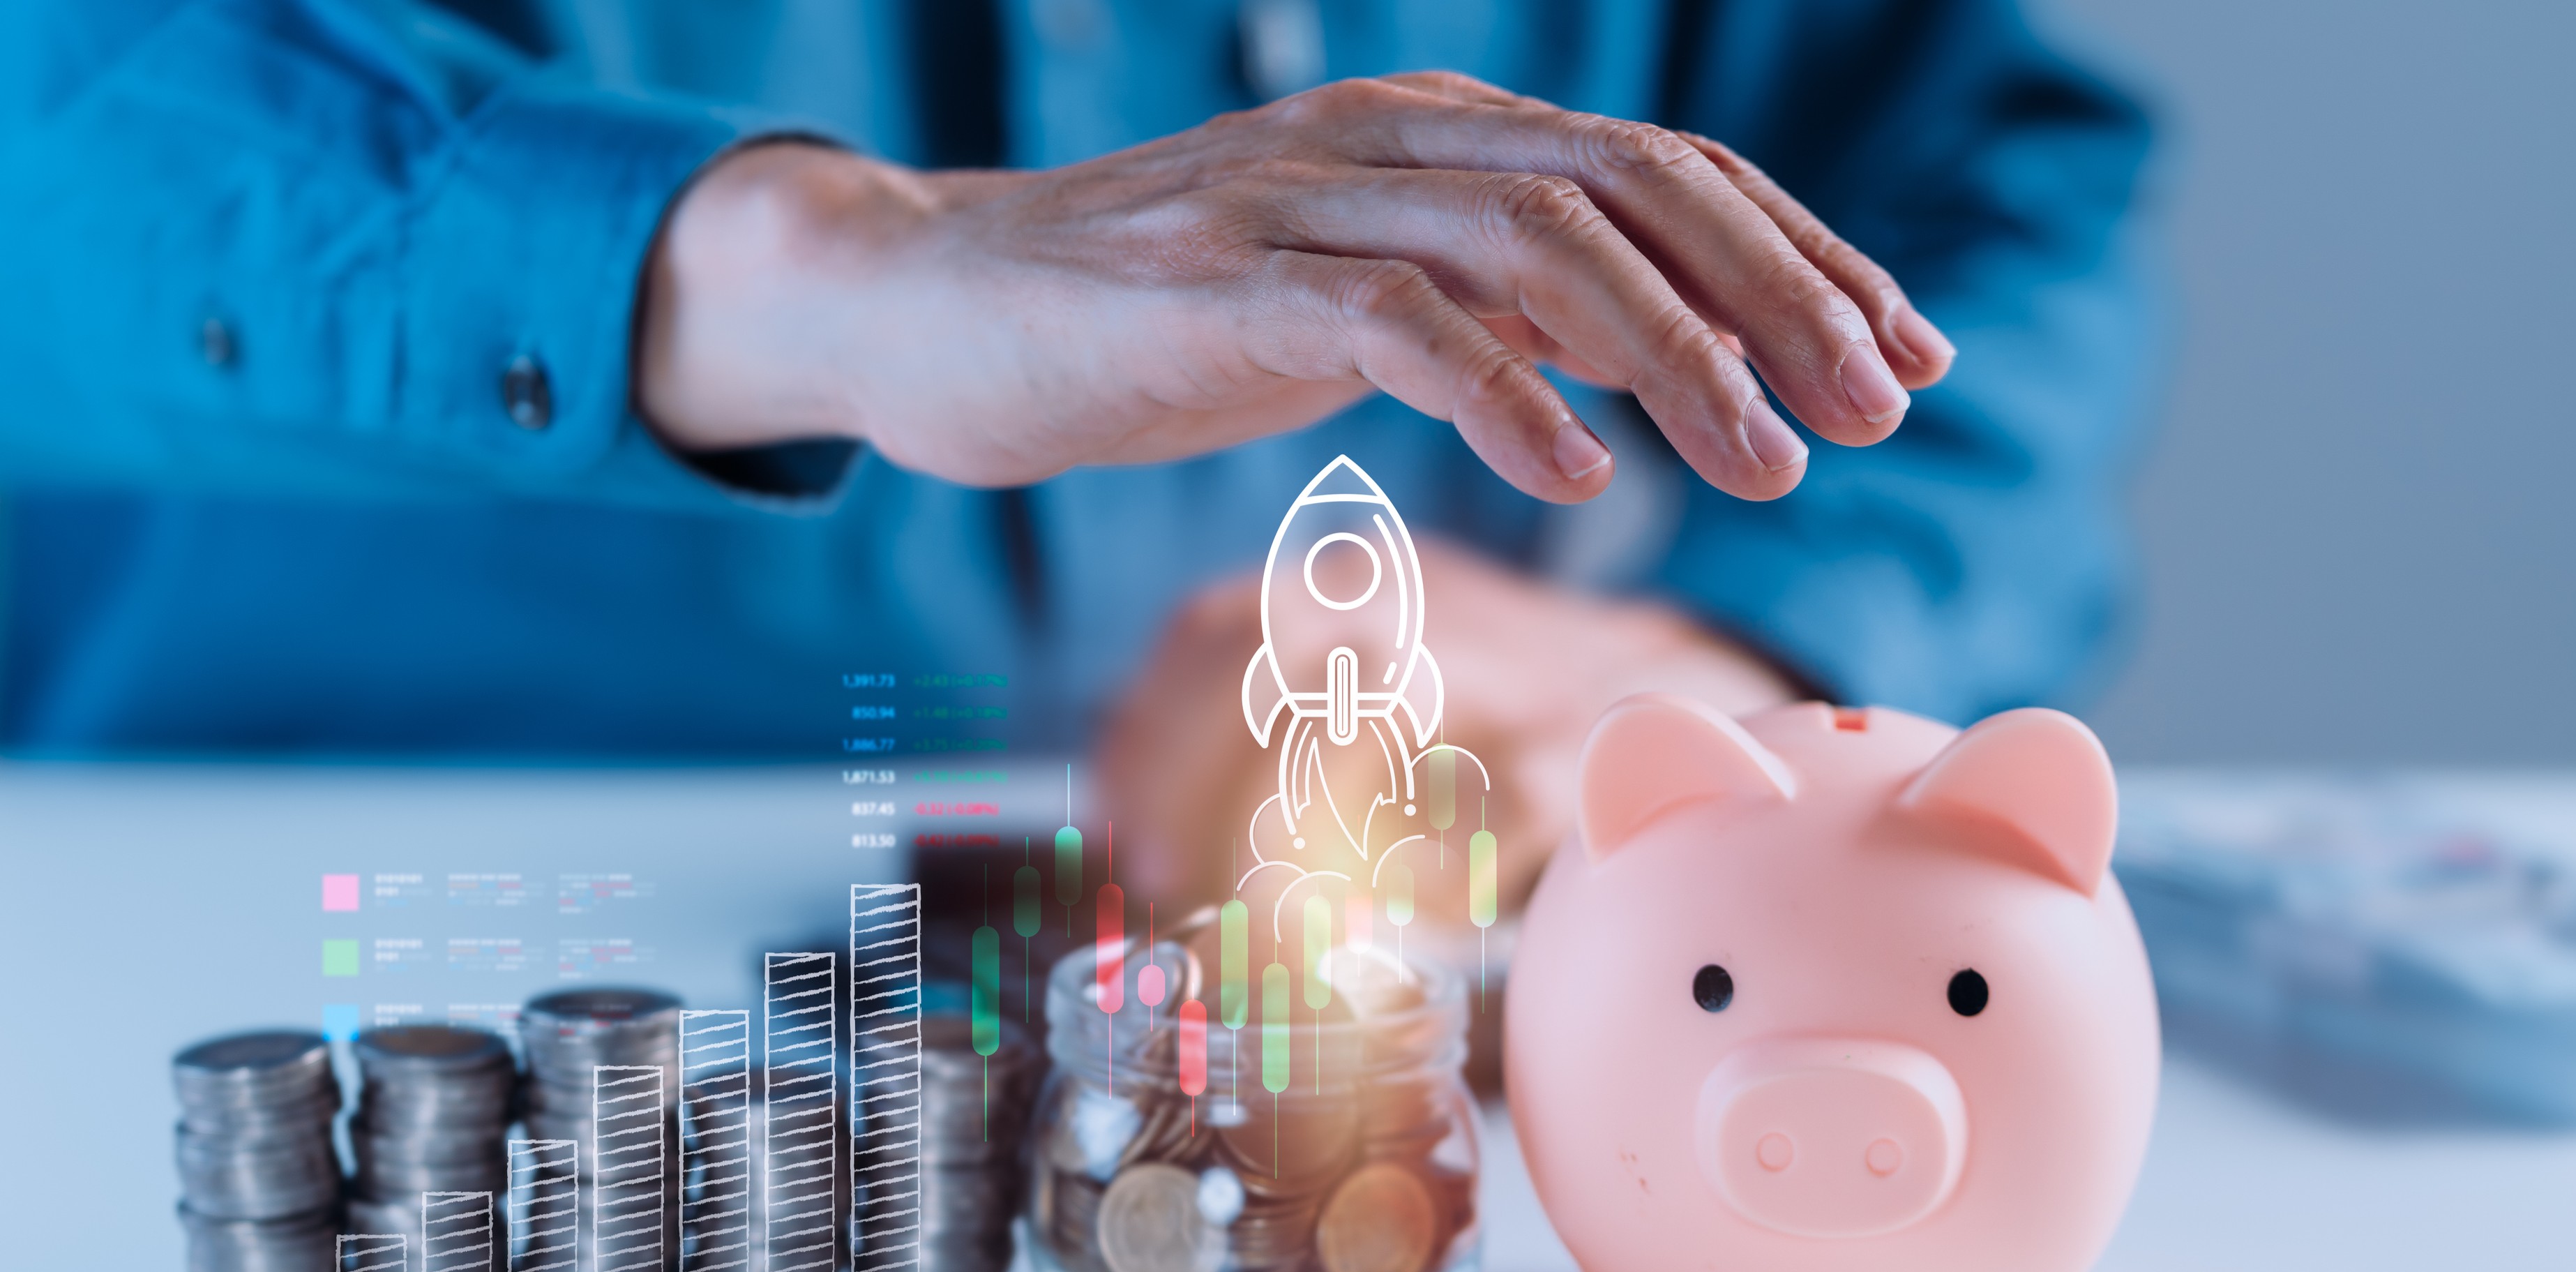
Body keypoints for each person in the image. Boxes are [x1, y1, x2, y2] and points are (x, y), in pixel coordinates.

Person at [0, 0, 2153, 916]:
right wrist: (816, 273)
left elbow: (1994, 176)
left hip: (1393, 980)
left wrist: (1721, 660)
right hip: (311, 917)